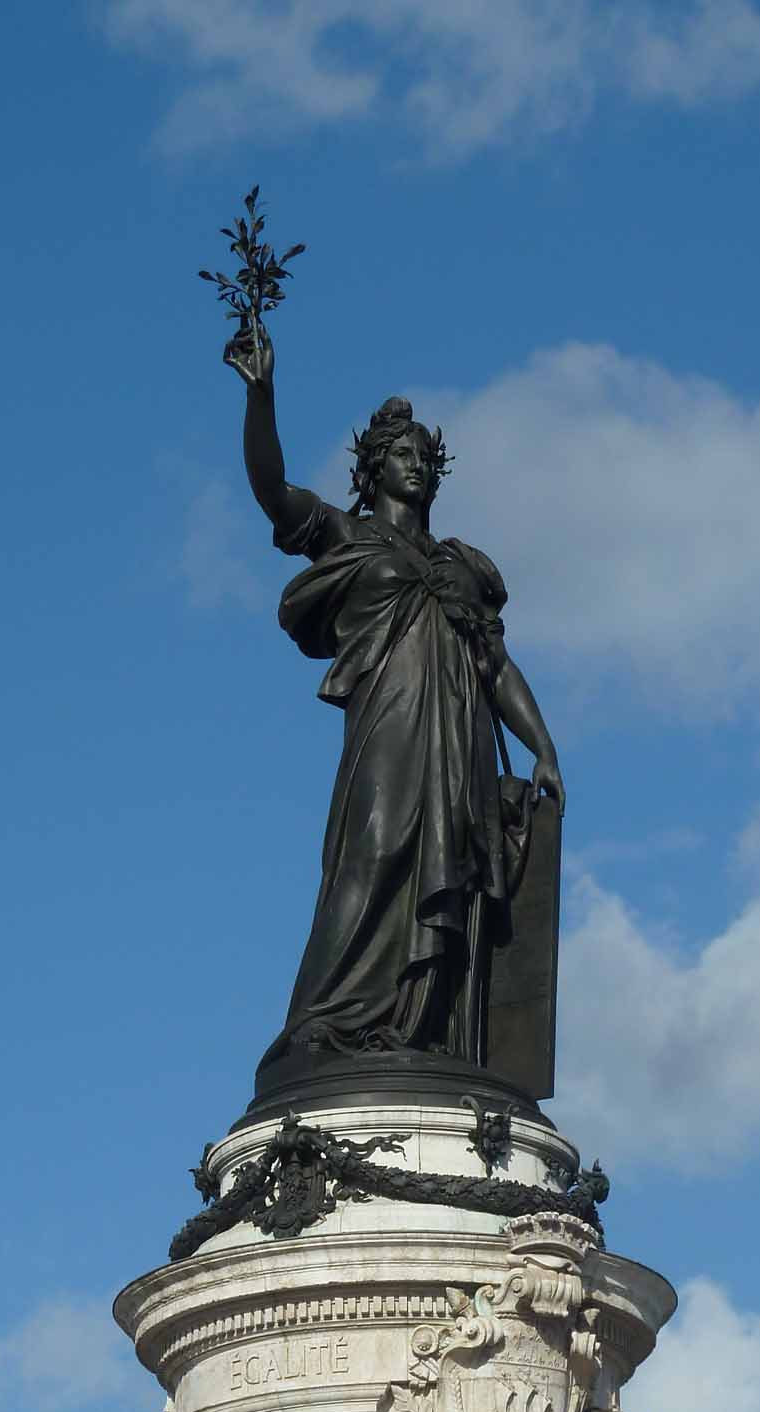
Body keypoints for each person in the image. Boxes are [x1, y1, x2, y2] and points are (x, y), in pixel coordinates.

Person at [227, 319, 565, 1078]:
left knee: (458, 873)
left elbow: (497, 666)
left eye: (424, 457)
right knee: (374, 852)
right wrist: (262, 397)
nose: (417, 466)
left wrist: (543, 747)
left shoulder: (461, 565)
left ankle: (427, 1029)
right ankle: (324, 1023)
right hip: (390, 723)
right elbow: (272, 492)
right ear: (372, 469)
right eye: (402, 456)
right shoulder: (348, 538)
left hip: (460, 739)